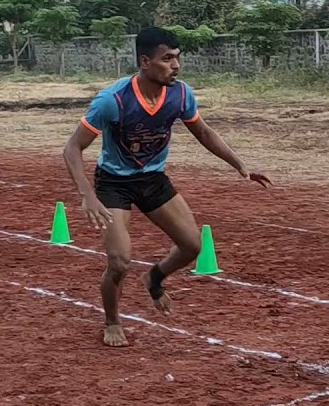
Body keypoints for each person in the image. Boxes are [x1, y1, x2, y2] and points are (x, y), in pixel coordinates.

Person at [61, 27, 271, 347]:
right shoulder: (112, 100)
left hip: (153, 179)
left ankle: (155, 278)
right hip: (114, 183)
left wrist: (240, 165)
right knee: (119, 262)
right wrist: (87, 195)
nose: (176, 66)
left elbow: (204, 133)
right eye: (167, 59)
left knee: (193, 246)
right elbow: (72, 148)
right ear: (145, 62)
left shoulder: (181, 94)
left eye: (177, 58)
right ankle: (112, 320)